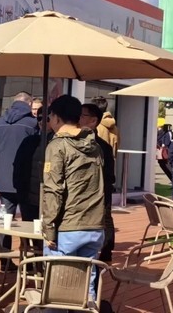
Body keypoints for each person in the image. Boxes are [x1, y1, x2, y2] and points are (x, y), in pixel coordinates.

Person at [42, 95, 105, 301]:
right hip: (94, 225)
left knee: (57, 287)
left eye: (50, 117)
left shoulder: (57, 146)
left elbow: (53, 190)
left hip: (67, 226)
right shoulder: (94, 145)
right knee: (86, 287)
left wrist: (49, 228)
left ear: (56, 118)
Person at [0, 91, 38, 271]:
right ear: (29, 104)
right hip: (26, 181)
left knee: (6, 223)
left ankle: (5, 261)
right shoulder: (32, 124)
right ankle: (30, 263)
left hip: (4, 181)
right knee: (30, 223)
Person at [80, 103, 116, 263]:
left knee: (105, 218)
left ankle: (106, 250)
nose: (78, 118)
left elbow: (109, 173)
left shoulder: (102, 147)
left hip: (101, 189)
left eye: (82, 115)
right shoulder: (72, 142)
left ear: (93, 121)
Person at [13, 106, 52, 221]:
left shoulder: (58, 143)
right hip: (28, 198)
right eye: (39, 118)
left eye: (47, 119)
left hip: (49, 200)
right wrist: (19, 189)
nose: (42, 122)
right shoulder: (29, 141)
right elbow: (18, 165)